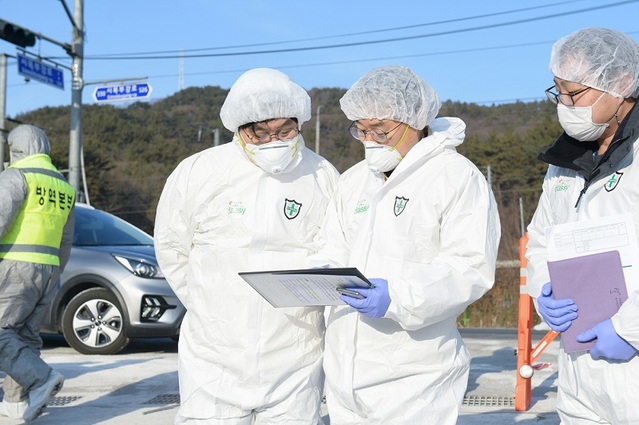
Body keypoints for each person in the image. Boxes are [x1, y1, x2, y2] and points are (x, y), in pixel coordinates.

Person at [311, 65, 501, 424]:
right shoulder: (353, 181)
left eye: (380, 130)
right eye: (361, 129)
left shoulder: (455, 177)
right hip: (344, 374)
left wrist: (398, 297)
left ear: (414, 120)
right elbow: (333, 246)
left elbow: (469, 268)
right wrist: (322, 272)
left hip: (415, 376)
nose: (369, 139)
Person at [154, 68, 339, 425]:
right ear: (240, 128)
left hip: (295, 349)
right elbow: (172, 246)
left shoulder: (321, 175)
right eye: (261, 133)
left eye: (285, 130)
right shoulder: (199, 171)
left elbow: (335, 248)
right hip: (215, 351)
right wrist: (209, 303)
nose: (274, 141)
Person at [526, 27, 639, 424]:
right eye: (559, 92)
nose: (565, 105)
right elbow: (541, 240)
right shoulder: (566, 161)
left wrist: (631, 328)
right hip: (580, 377)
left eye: (576, 94)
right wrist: (545, 293)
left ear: (622, 83)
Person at [0, 125, 75, 422]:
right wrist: (55, 274)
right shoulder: (63, 185)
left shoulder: (17, 176)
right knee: (25, 337)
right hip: (48, 273)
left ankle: (41, 378)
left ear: (14, 149)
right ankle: (16, 405)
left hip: (14, 267)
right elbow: (66, 241)